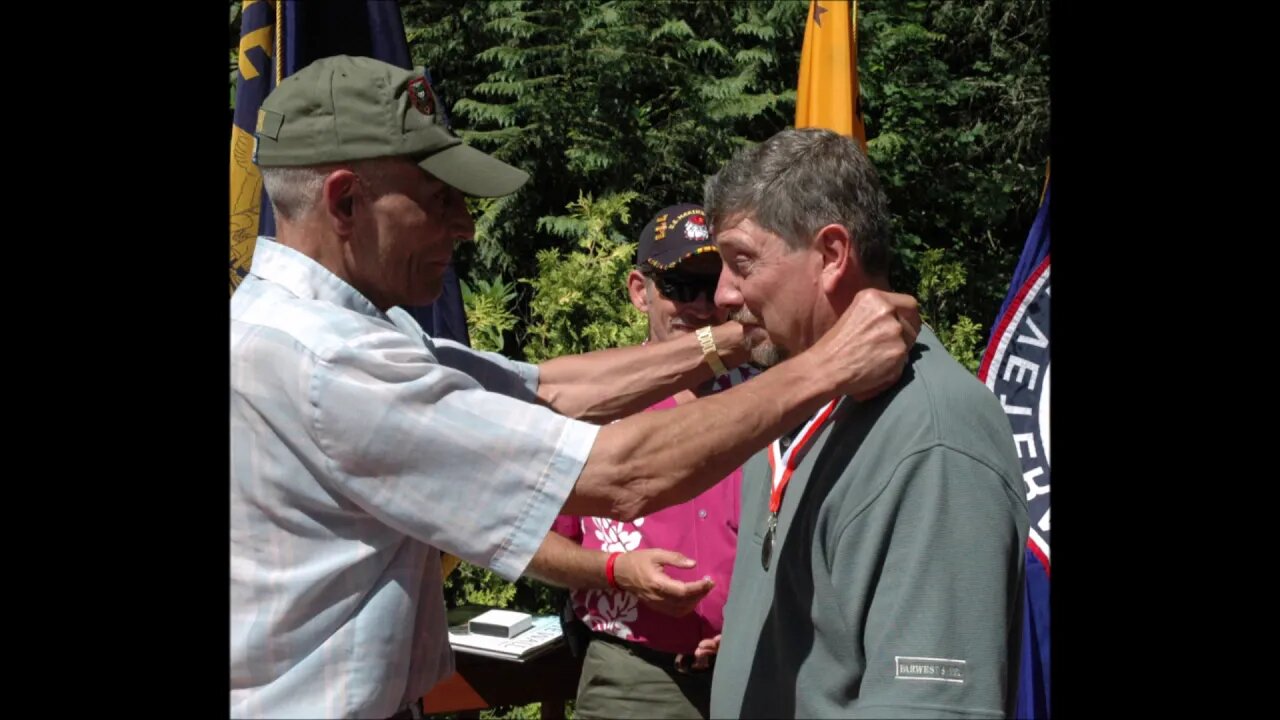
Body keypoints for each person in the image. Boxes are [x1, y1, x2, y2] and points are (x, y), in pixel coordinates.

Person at [230, 55, 921, 719]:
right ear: (346, 201)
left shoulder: (313, 331)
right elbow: (622, 472)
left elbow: (551, 391)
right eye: (439, 200)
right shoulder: (333, 364)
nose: (465, 226)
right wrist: (831, 361)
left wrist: (744, 337)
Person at [704, 127, 1030, 719]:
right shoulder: (792, 400)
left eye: (741, 261)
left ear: (831, 255)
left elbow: (930, 707)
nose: (724, 293)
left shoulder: (934, 436)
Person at [525, 203, 753, 719]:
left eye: (712, 285)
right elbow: (527, 541)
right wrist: (616, 571)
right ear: (638, 290)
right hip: (635, 679)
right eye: (680, 286)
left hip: (758, 668)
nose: (700, 306)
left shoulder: (769, 400)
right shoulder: (591, 406)